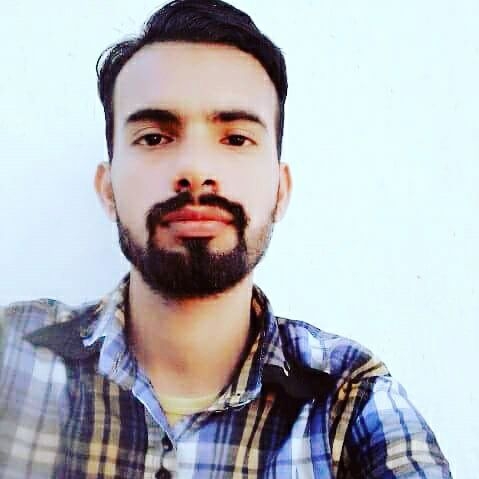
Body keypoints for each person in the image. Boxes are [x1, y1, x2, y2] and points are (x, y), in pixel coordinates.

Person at [0, 1, 451, 477]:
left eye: (236, 138)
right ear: (107, 188)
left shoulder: (352, 399)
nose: (195, 170)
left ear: (280, 191)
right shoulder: (11, 355)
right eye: (154, 137)